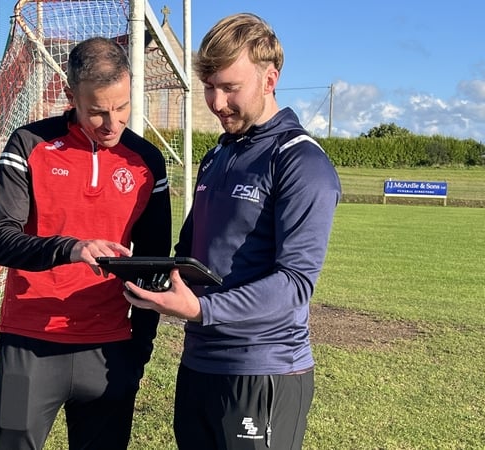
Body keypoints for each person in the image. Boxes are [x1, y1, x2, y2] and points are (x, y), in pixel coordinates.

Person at [123, 13, 341, 450]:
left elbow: (295, 284)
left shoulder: (300, 162)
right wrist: (139, 271)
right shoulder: (217, 155)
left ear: (270, 79)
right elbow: (190, 252)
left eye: (230, 87)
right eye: (209, 87)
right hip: (198, 364)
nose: (217, 102)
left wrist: (202, 309)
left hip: (263, 368)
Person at [0, 36, 172, 450]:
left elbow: (154, 263)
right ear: (72, 97)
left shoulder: (147, 161)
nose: (112, 123)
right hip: (29, 343)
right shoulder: (29, 144)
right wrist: (71, 248)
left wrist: (139, 350)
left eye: (122, 107)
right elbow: (0, 240)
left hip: (110, 349)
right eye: (98, 111)